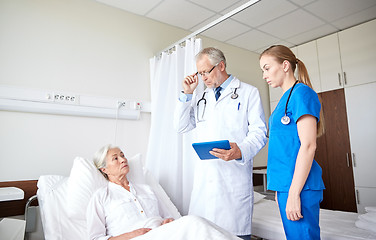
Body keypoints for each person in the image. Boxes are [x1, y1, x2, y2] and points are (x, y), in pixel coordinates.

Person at [174, 47, 267, 239]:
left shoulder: (248, 92)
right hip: (205, 184)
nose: (203, 78)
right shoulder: (200, 97)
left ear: (221, 65)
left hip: (233, 182)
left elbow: (259, 133)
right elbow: (181, 127)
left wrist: (240, 150)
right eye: (200, 73)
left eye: (206, 72)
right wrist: (187, 94)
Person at [86, 144, 242, 240]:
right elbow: (95, 238)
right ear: (104, 169)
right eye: (115, 158)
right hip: (135, 238)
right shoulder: (101, 197)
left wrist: (168, 221)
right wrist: (131, 235)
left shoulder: (146, 189)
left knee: (198, 225)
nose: (123, 160)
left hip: (164, 234)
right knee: (193, 222)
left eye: (123, 155)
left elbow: (169, 217)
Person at [259, 45, 325, 240]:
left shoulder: (302, 94)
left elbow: (308, 145)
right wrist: (282, 190)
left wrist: (294, 193)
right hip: (286, 185)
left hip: (299, 186)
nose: (264, 75)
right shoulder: (283, 100)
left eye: (267, 68)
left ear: (285, 65)